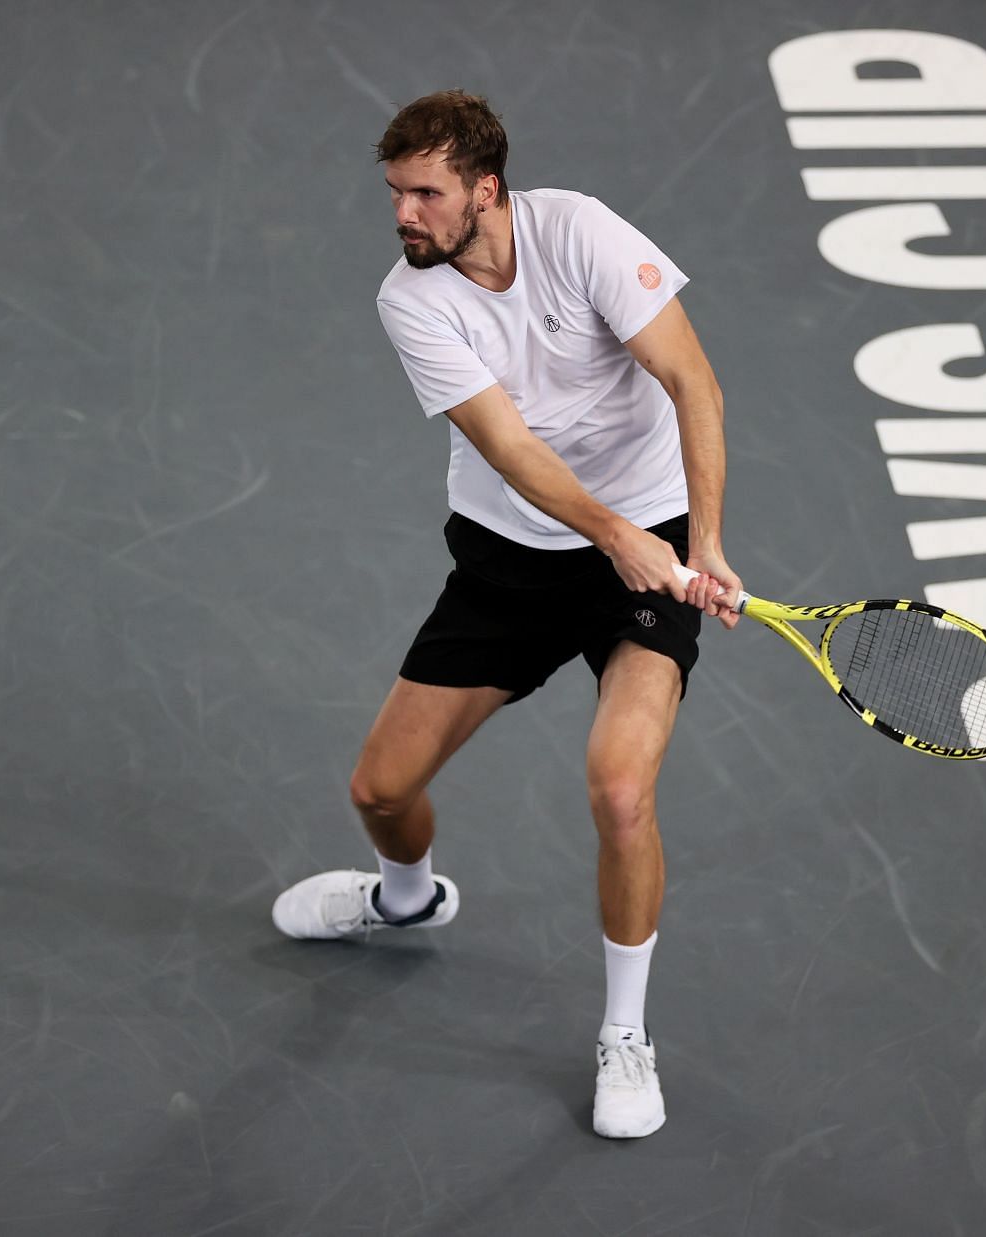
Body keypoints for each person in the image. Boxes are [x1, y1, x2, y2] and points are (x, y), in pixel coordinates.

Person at [271, 89, 739, 1141]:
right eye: (395, 193)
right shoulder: (412, 300)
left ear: (486, 190)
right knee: (380, 789)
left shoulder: (581, 233)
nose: (404, 215)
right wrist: (613, 535)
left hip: (653, 543)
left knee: (621, 788)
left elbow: (692, 381)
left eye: (425, 194)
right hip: (512, 560)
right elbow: (512, 452)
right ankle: (403, 898)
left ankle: (626, 1034)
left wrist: (698, 543)